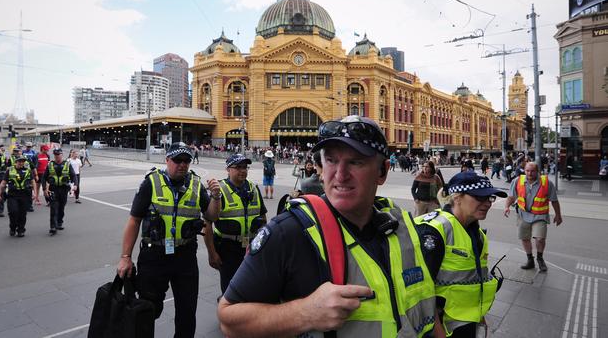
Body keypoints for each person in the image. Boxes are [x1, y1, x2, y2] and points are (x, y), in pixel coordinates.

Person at [218, 116, 441, 338]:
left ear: (382, 171)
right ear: (321, 168)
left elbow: (427, 311)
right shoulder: (288, 232)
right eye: (331, 161)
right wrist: (303, 313)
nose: (340, 175)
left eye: (356, 162)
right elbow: (229, 320)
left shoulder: (403, 228)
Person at [116, 143, 221, 338]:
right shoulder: (151, 182)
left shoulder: (197, 185)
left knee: (187, 311)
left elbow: (212, 217)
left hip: (185, 256)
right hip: (154, 256)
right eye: (177, 160)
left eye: (186, 161)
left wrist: (216, 197)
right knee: (148, 309)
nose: (182, 165)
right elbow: (134, 220)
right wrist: (125, 256)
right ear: (167, 160)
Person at [415, 172, 505, 337]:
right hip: (441, 328)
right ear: (457, 197)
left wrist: (479, 317)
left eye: (490, 198)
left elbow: (473, 280)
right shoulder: (434, 231)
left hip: (466, 322)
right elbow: (420, 292)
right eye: (480, 197)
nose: (487, 203)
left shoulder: (477, 234)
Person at [203, 153, 267, 296]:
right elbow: (207, 223)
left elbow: (263, 218)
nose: (243, 170)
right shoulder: (220, 190)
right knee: (229, 289)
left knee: (251, 286)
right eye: (238, 167)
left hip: (251, 246)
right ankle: (227, 313)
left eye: (245, 167)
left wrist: (263, 244)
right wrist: (212, 253)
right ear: (228, 169)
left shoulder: (253, 189)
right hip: (227, 248)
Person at [503, 162, 562, 271]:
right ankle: (530, 260)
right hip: (523, 214)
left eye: (532, 171)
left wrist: (558, 215)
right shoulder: (517, 181)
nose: (529, 173)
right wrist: (506, 207)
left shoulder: (547, 183)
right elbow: (511, 197)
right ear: (524, 170)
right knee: (525, 238)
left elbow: (554, 200)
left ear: (537, 171)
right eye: (527, 171)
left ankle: (540, 258)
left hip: (540, 216)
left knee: (540, 239)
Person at [0, 156, 38, 237]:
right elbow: (3, 183)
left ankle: (21, 230)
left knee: (22, 214)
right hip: (13, 195)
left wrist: (35, 194)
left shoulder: (28, 170)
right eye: (19, 161)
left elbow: (33, 182)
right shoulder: (10, 170)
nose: (21, 163)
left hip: (24, 195)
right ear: (16, 162)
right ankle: (12, 228)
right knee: (13, 212)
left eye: (23, 161)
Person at [43, 148, 76, 235]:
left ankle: (59, 222)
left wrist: (75, 185)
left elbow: (73, 175)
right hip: (53, 189)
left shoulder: (67, 164)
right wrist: (44, 189)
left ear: (62, 155)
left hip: (64, 189)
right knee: (53, 208)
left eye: (59, 155)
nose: (57, 156)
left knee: (61, 207)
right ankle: (53, 227)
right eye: (56, 155)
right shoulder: (50, 164)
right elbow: (44, 177)